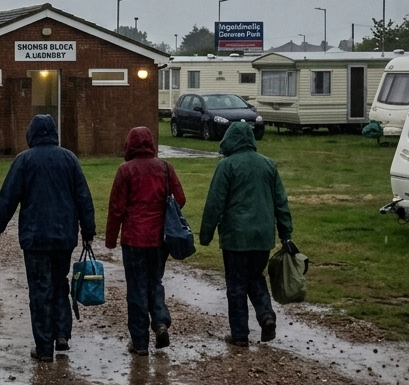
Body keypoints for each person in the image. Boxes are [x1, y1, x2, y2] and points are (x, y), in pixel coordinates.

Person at [0, 114, 96, 362]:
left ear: (32, 134)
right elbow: (83, 197)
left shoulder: (24, 161)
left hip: (35, 237)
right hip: (63, 237)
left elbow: (9, 197)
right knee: (60, 284)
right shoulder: (69, 159)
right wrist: (87, 231)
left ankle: (44, 346)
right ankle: (61, 334)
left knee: (40, 290)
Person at [198, 121, 293, 347]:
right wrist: (285, 233)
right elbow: (281, 202)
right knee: (255, 277)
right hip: (262, 236)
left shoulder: (227, 166)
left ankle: (240, 334)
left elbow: (215, 203)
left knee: (237, 284)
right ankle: (266, 314)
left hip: (236, 237)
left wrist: (206, 234)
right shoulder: (268, 165)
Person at [105, 126, 185, 355]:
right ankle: (160, 322)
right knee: (155, 282)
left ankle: (140, 342)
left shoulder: (125, 171)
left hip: (134, 240)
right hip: (160, 239)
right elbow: (180, 198)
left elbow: (116, 208)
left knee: (136, 289)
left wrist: (111, 239)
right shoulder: (166, 168)